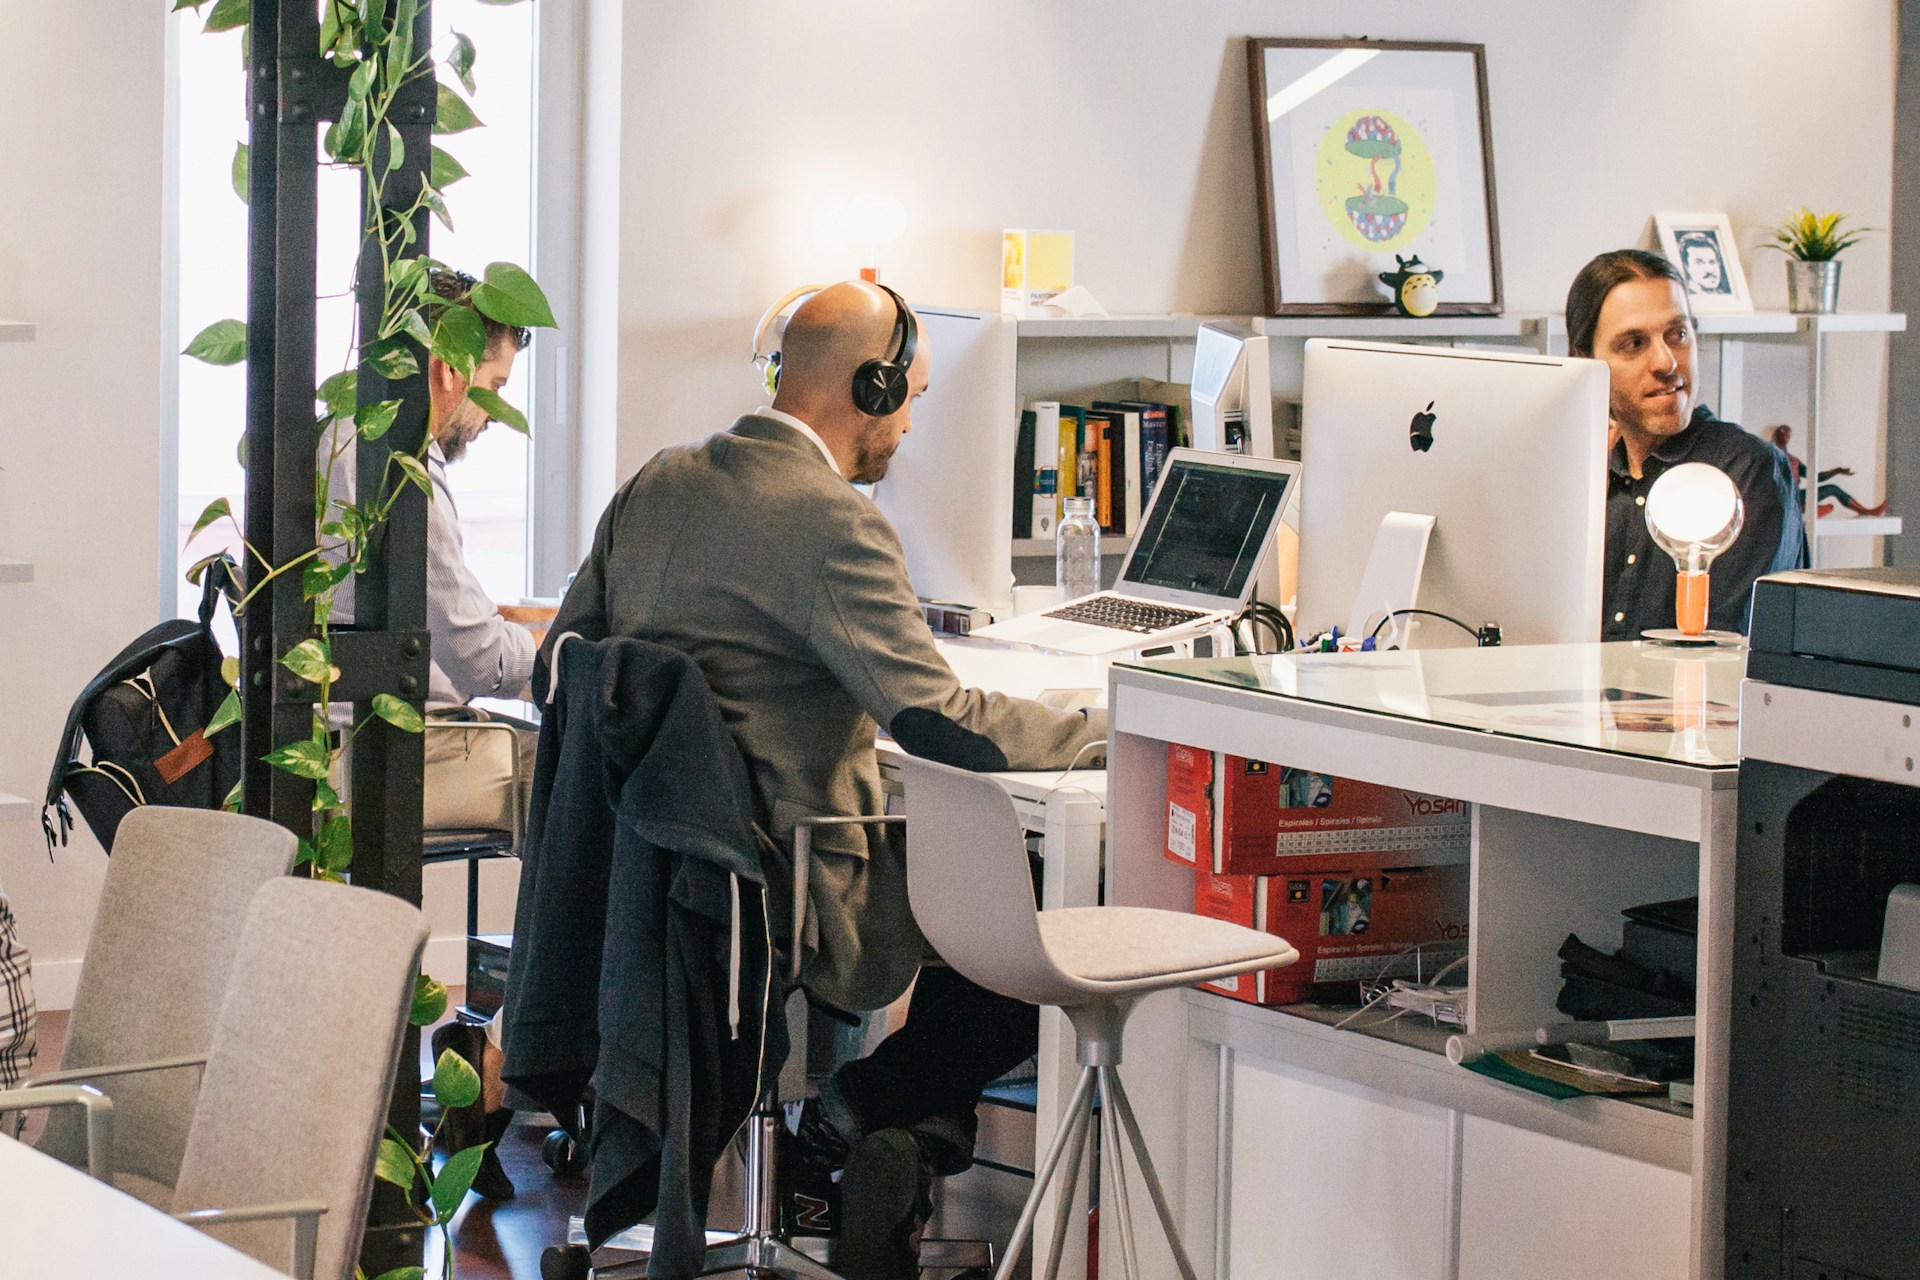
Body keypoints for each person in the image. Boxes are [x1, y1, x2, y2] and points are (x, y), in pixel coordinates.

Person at [541, 279, 1105, 1277]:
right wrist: (1103, 728)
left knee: (983, 862)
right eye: (912, 398)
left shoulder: (656, 483)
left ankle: (907, 1132)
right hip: (795, 886)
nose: (910, 424)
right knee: (1058, 897)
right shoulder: (833, 524)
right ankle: (874, 1108)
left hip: (660, 880)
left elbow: (565, 660)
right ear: (870, 384)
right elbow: (942, 721)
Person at [326, 267, 537, 1199]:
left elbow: (441, 619)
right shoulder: (406, 468)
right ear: (447, 370)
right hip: (379, 755)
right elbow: (483, 660)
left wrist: (524, 621)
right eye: (490, 387)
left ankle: (498, 1051)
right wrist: (570, 645)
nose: (491, 415)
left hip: (335, 731)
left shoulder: (341, 431)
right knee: (578, 771)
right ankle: (505, 1058)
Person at [1564, 249, 1804, 640]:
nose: (1665, 362)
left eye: (1677, 335)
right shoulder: (1579, 474)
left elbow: (1727, 649)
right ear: (1584, 360)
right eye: (1634, 343)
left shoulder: (1746, 471)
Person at [1766, 424, 1887, 517]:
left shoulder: (1793, 461)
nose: (1785, 436)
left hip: (1797, 495)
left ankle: (1865, 511)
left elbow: (1814, 477)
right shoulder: (1771, 458)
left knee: (1832, 489)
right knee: (1823, 507)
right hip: (1784, 498)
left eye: (1787, 433)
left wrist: (1837, 471)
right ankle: (1805, 509)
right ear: (1776, 436)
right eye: (1782, 433)